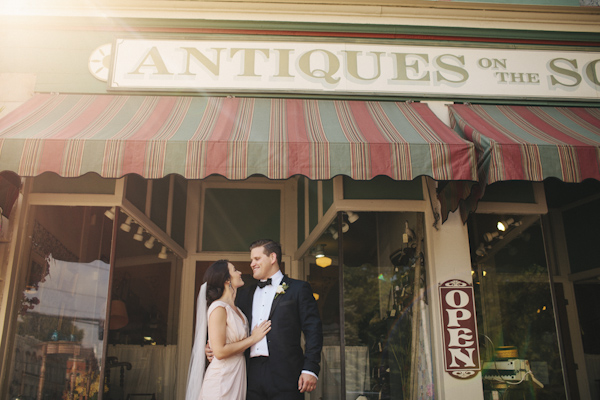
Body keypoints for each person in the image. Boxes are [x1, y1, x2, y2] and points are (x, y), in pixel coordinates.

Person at [236, 239, 323, 400]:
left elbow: (313, 330)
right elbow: (231, 323)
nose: (252, 264)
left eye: (257, 259)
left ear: (272, 257)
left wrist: (310, 368)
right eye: (251, 260)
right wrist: (213, 345)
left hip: (287, 373)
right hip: (250, 373)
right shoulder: (245, 293)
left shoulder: (298, 289)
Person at [185, 259, 271, 400]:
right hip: (221, 379)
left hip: (237, 375)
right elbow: (219, 351)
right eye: (235, 270)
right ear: (226, 280)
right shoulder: (218, 308)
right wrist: (253, 339)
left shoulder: (237, 309)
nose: (240, 272)